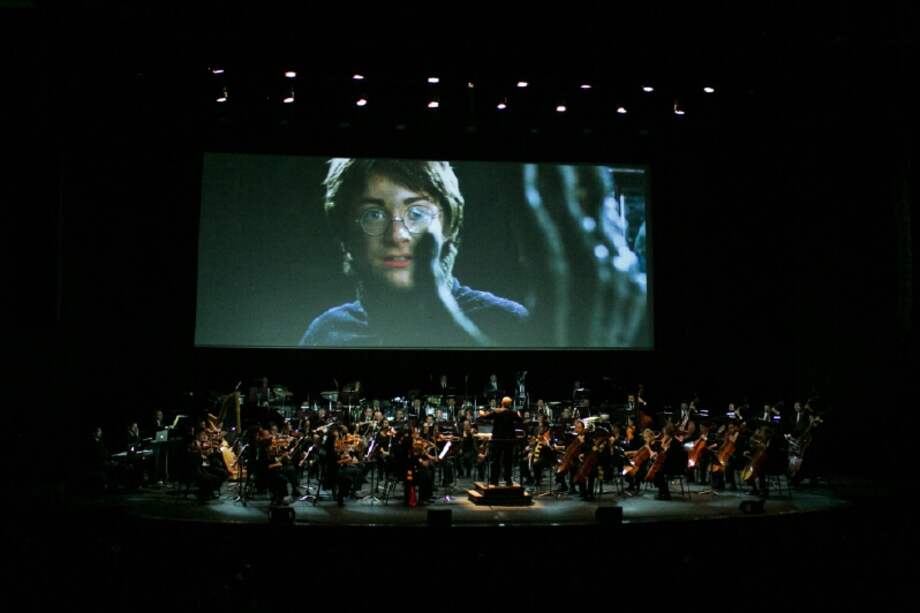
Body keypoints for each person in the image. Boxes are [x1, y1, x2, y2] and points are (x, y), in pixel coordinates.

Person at [300, 159, 529, 348]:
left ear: (449, 224)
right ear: (345, 234)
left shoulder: (505, 320)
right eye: (373, 214)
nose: (397, 235)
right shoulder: (326, 333)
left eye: (418, 213)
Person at [478, 396, 523, 487]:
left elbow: (485, 417)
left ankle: (494, 481)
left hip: (497, 440)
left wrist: (481, 412)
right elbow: (520, 420)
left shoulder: (497, 412)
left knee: (496, 461)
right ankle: (508, 480)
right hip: (509, 441)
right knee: (508, 461)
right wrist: (518, 413)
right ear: (510, 405)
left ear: (502, 403)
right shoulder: (512, 413)